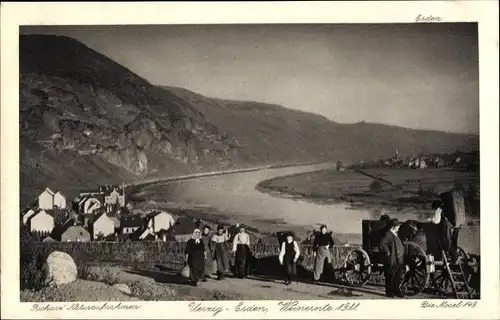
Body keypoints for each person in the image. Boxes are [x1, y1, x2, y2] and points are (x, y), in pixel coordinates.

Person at [379, 219, 405, 298]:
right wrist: (387, 252)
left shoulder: (394, 234)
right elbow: (382, 243)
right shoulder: (388, 234)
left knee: (398, 277)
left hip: (399, 259)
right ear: (393, 226)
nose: (399, 227)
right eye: (398, 226)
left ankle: (396, 291)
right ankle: (389, 293)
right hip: (392, 260)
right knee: (390, 276)